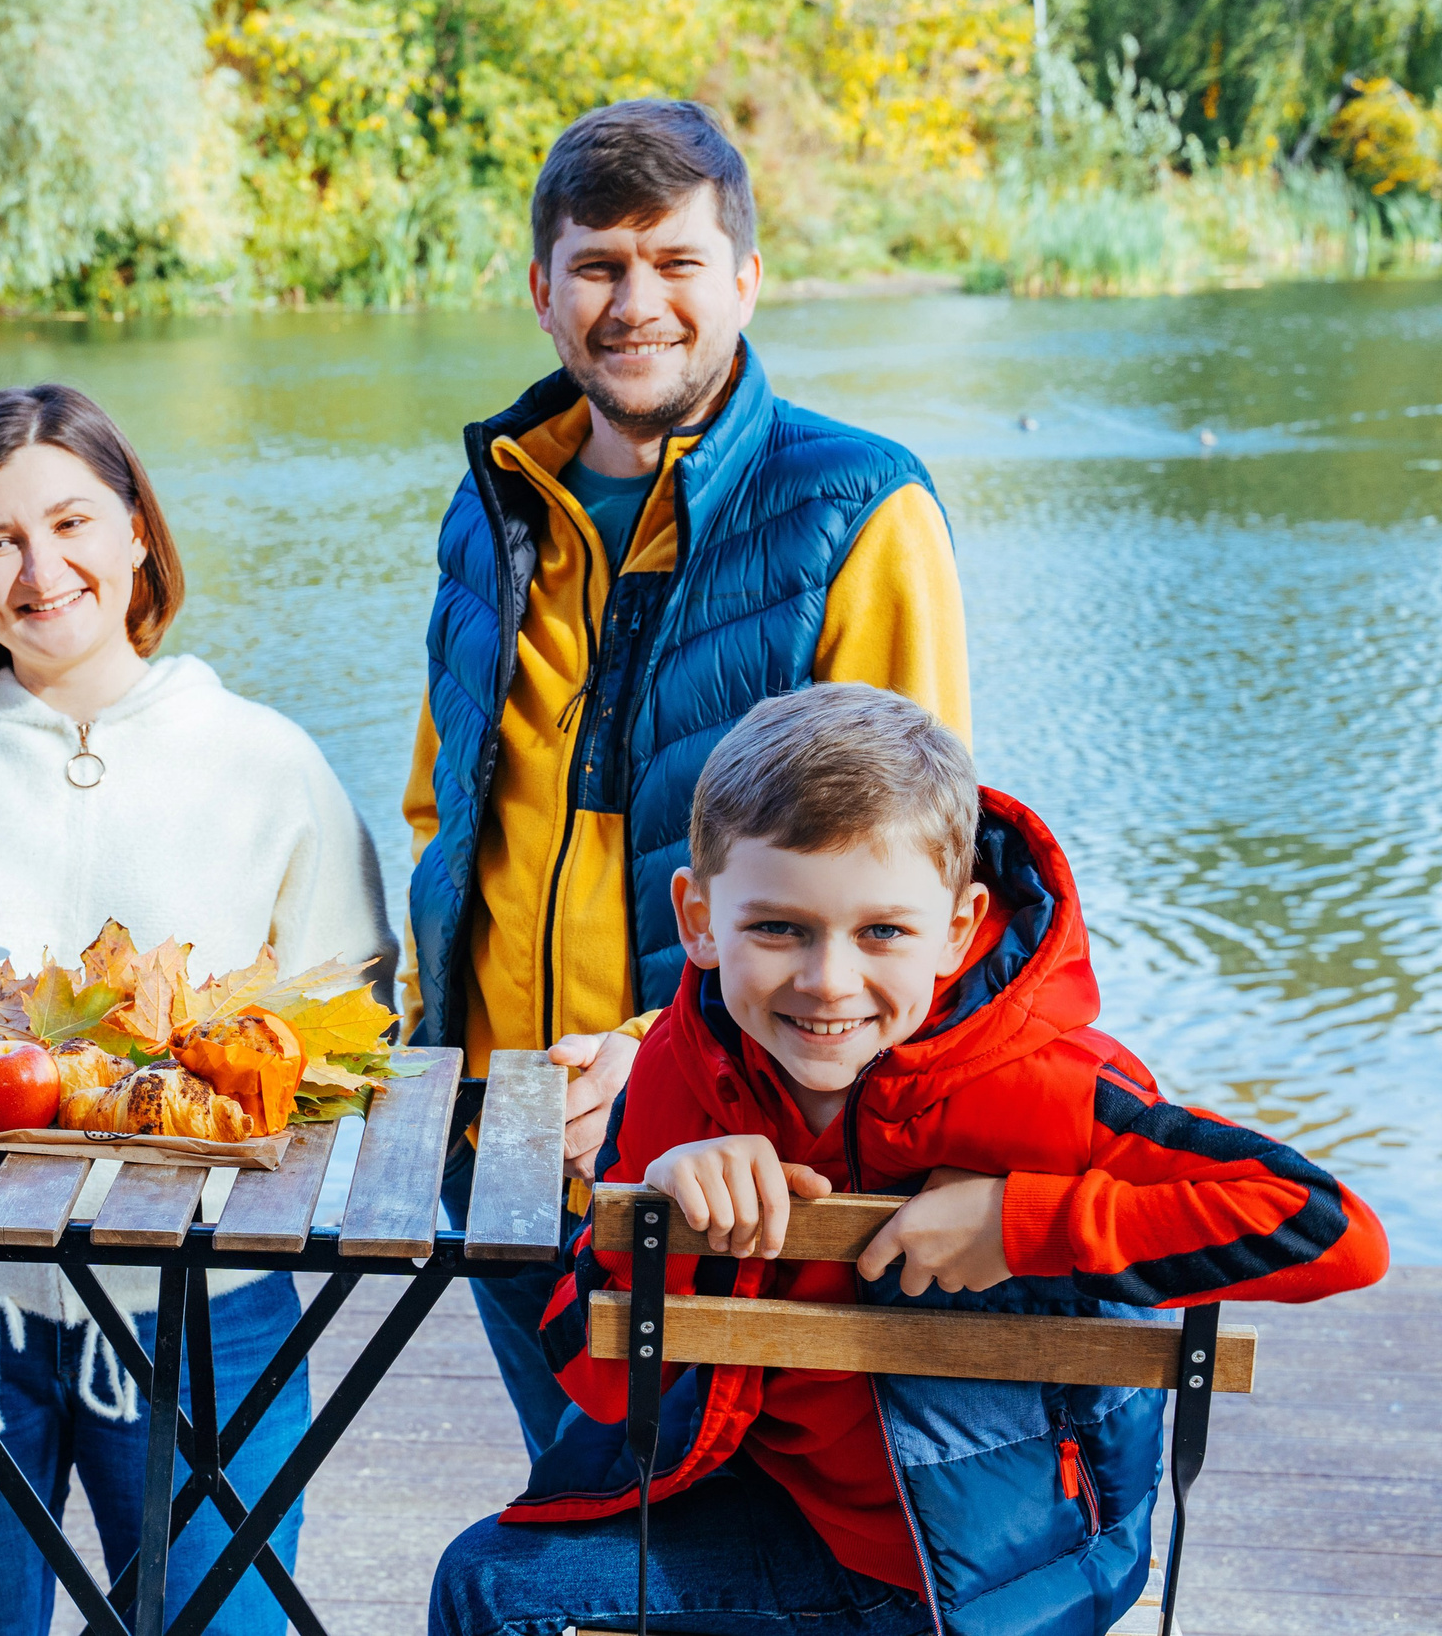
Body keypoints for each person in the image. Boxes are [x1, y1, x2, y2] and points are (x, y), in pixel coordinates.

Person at [428, 683, 1390, 1634]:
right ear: (697, 919)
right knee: (487, 1583)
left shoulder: (1049, 1088)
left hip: (996, 1566)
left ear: (959, 928)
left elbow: (1334, 1229)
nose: (828, 980)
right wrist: (667, 1217)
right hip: (779, 1507)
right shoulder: (685, 1062)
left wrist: (1021, 1226)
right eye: (778, 928)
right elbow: (591, 1376)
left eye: (882, 930)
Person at [0, 383, 396, 1635]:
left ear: (137, 534)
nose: (40, 570)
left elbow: (356, 1014)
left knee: (222, 1620)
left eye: (72, 524)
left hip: (207, 1295)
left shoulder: (266, 759)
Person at [404, 98, 973, 1458]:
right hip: (504, 1153)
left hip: (727, 1168)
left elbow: (920, 889)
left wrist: (672, 1055)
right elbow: (443, 811)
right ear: (542, 290)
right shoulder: (494, 502)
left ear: (746, 281)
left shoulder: (861, 507)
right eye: (598, 264)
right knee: (587, 1500)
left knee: (690, 1538)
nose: (634, 301)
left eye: (675, 263)